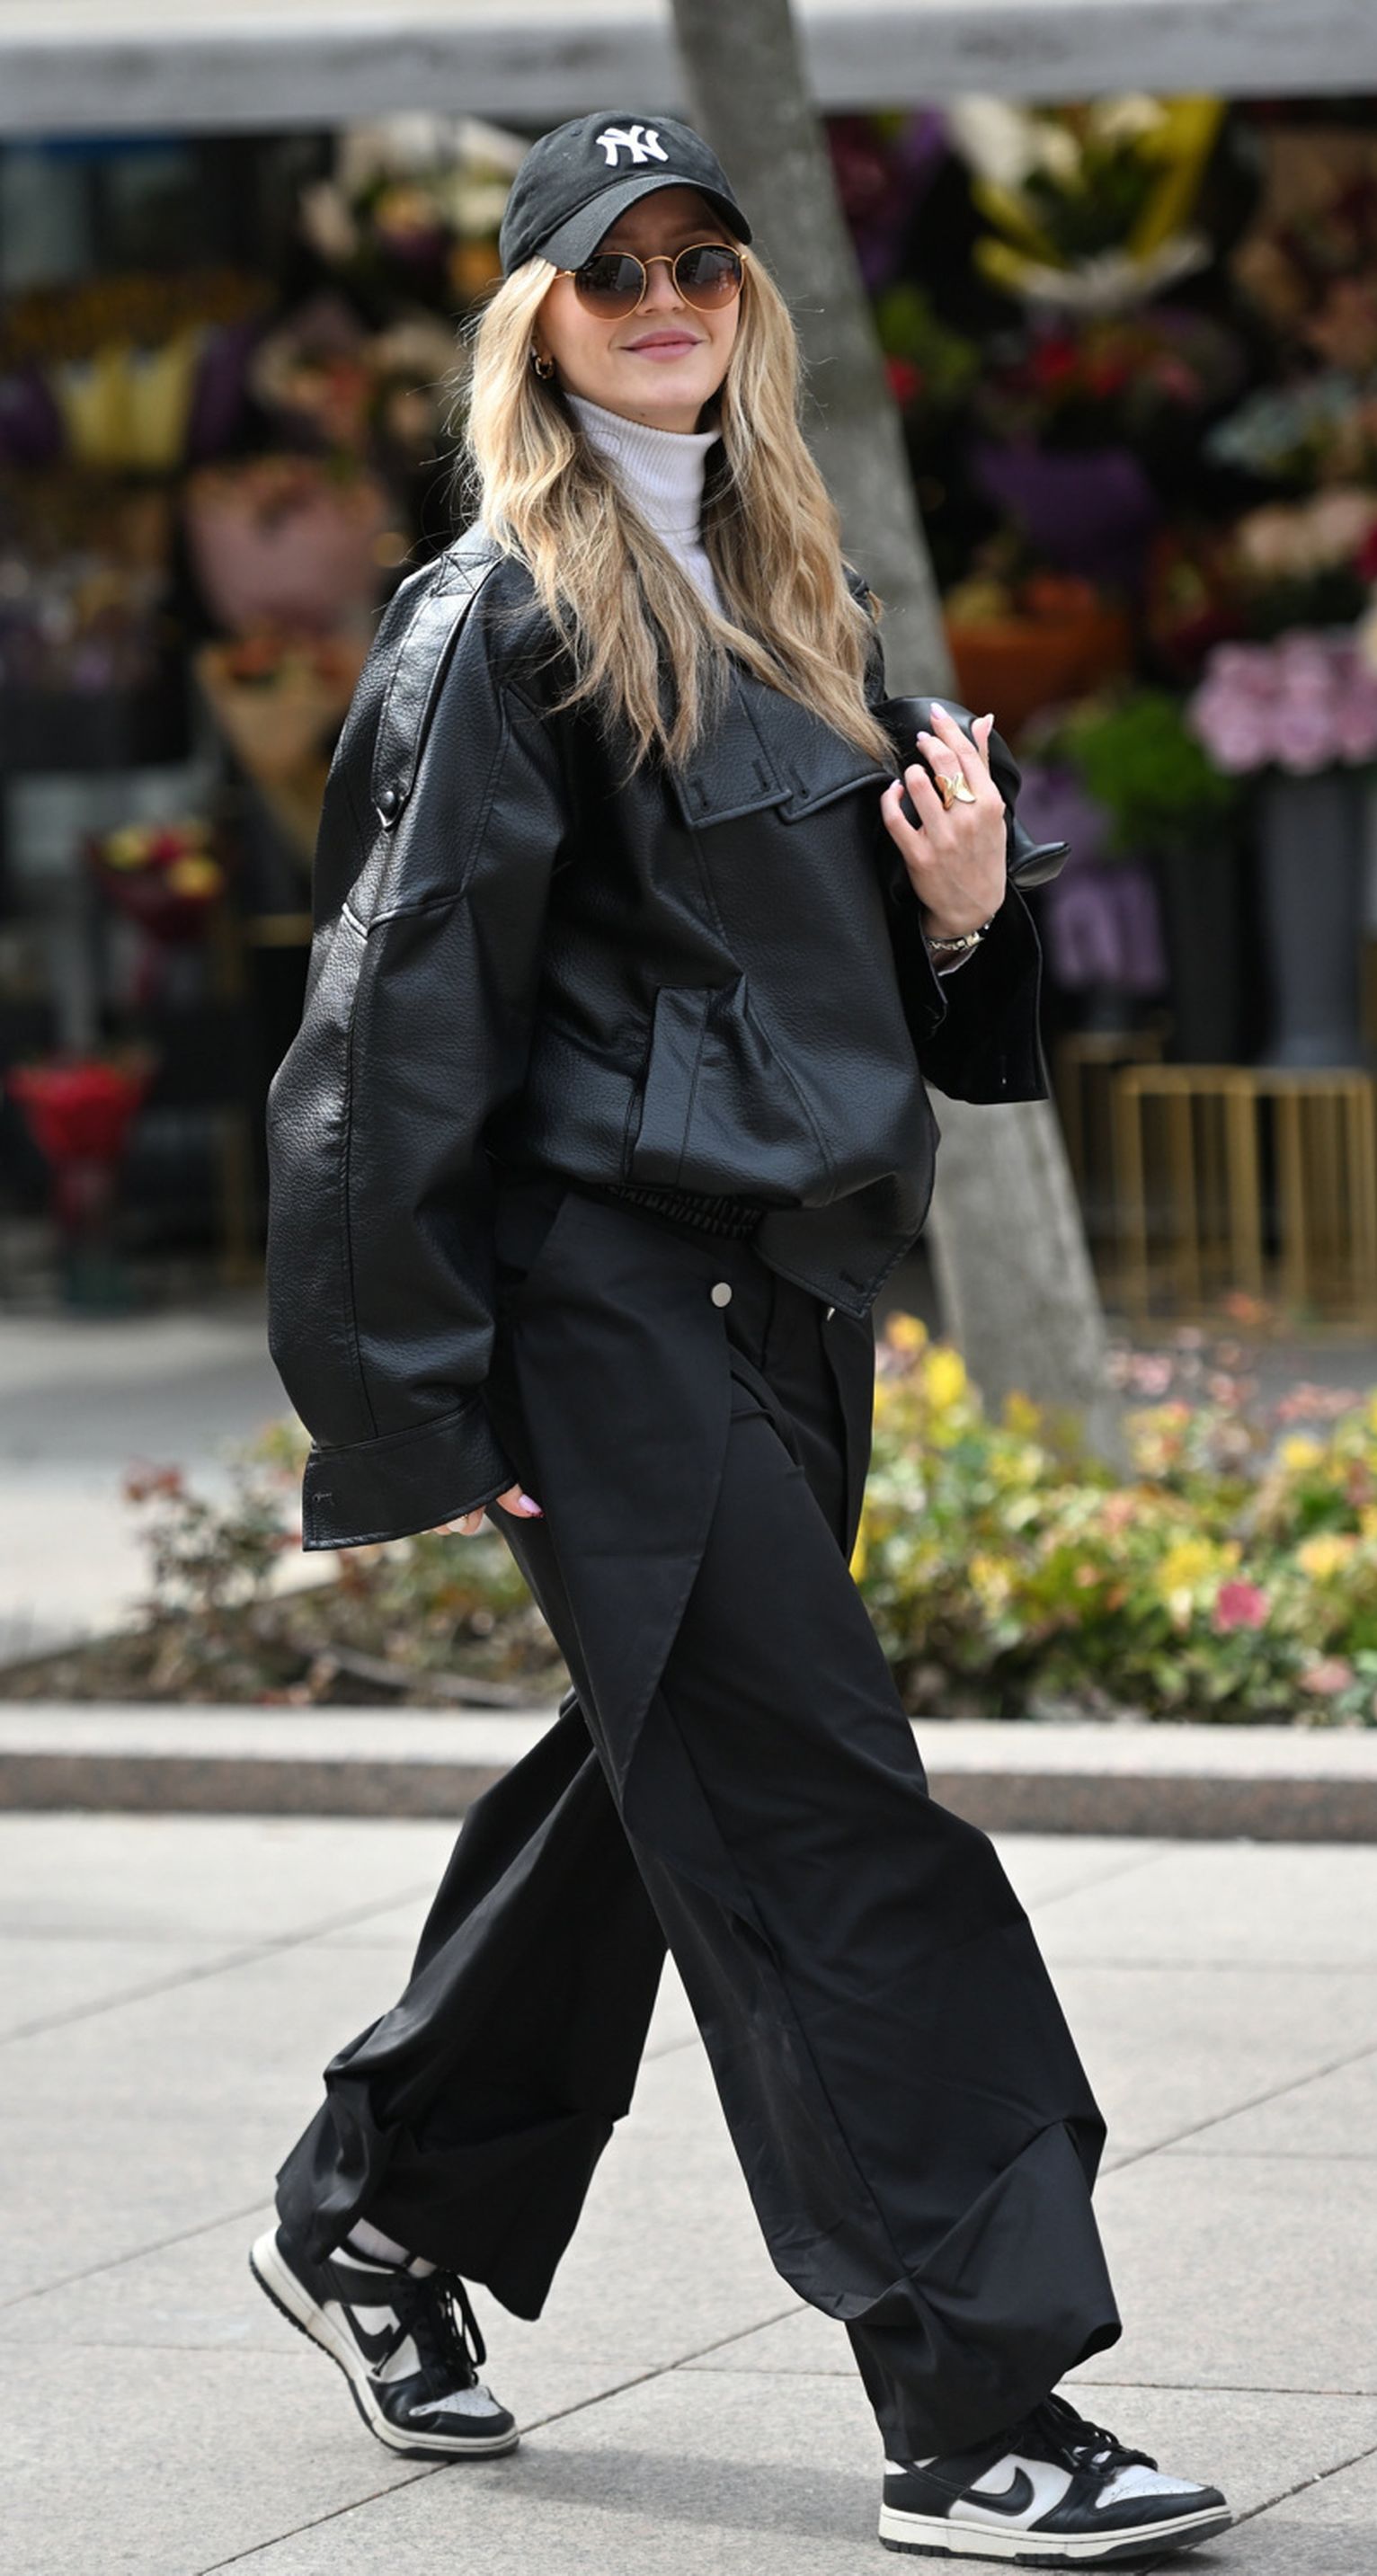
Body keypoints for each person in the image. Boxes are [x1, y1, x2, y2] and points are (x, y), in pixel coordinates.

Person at [249, 108, 1232, 2567]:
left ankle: (377, 2206)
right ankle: (976, 2399)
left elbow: (882, 992)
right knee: (825, 1827)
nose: (670, 299)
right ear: (538, 321)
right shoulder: (495, 622)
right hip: (605, 1310)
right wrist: (417, 1394)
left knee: (661, 1783)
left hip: (793, 1296)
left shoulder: (799, 583)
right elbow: (389, 1035)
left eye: (705, 258)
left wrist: (973, 900)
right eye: (617, 272)